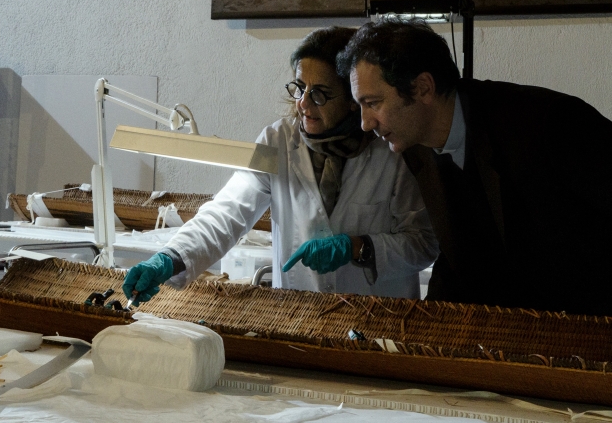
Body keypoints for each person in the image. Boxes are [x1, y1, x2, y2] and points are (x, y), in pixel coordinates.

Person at [337, 18, 612, 322]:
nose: (366, 123)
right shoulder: (415, 143)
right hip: (541, 341)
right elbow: (460, 256)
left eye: (373, 103)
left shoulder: (544, 123)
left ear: (423, 88)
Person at [122, 27, 438, 305]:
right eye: (299, 88)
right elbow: (228, 212)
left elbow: (424, 244)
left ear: (353, 98)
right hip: (295, 314)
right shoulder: (279, 141)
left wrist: (359, 248)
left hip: (379, 322)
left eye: (320, 94)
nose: (303, 103)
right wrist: (170, 258)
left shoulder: (391, 148)